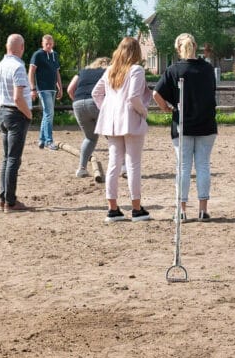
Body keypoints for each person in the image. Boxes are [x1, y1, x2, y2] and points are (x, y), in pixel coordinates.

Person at [152, 33, 218, 222]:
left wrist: (167, 108)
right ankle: (203, 210)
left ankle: (181, 210)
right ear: (195, 47)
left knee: (183, 167)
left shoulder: (173, 70)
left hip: (182, 124)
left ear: (178, 49)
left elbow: (156, 93)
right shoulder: (207, 69)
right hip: (206, 124)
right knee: (203, 165)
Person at [93, 37, 152, 223]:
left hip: (111, 122)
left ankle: (112, 208)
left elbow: (96, 93)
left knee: (113, 163)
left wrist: (108, 109)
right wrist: (144, 113)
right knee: (133, 164)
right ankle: (136, 208)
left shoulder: (110, 70)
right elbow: (134, 97)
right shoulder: (136, 70)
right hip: (130, 119)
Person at [0, 34, 34, 212]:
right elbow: (18, 97)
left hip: (3, 113)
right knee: (14, 159)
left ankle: (3, 199)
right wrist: (28, 114)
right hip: (16, 115)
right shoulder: (18, 67)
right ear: (21, 47)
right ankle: (11, 202)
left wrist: (5, 109)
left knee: (7, 158)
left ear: (7, 47)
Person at [66, 57, 109, 181]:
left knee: (89, 138)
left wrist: (78, 101)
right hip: (96, 102)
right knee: (112, 137)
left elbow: (70, 89)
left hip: (78, 104)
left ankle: (82, 168)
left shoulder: (83, 71)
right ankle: (122, 167)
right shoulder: (106, 71)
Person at [29, 34, 62, 150]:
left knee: (47, 114)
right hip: (42, 89)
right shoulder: (37, 55)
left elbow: (57, 72)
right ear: (42, 44)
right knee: (49, 113)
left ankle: (42, 141)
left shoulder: (55, 55)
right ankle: (49, 141)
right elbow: (31, 71)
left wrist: (60, 88)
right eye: (46, 44)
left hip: (52, 88)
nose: (48, 45)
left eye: (50, 43)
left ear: (53, 44)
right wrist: (32, 88)